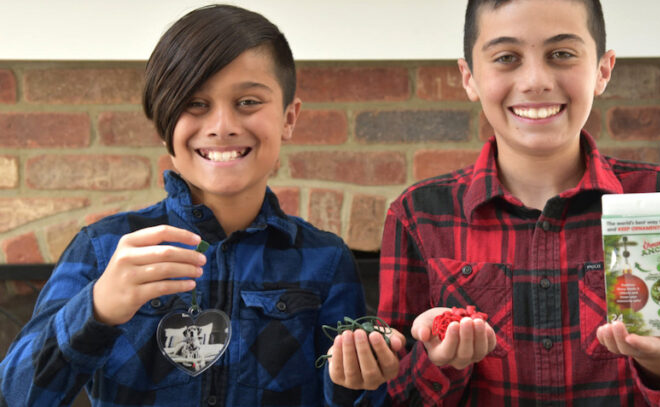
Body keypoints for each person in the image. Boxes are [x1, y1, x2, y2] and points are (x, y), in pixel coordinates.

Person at [0, 5, 397, 406]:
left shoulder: (326, 260)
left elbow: (353, 397)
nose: (222, 125)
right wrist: (97, 308)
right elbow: (15, 395)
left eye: (247, 102)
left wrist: (363, 381)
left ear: (288, 118)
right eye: (195, 104)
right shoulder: (103, 249)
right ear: (162, 124)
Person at [367, 0, 660, 405]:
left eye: (561, 54)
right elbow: (391, 395)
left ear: (602, 70)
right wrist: (439, 362)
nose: (535, 80)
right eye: (506, 57)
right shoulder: (418, 216)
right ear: (469, 77)